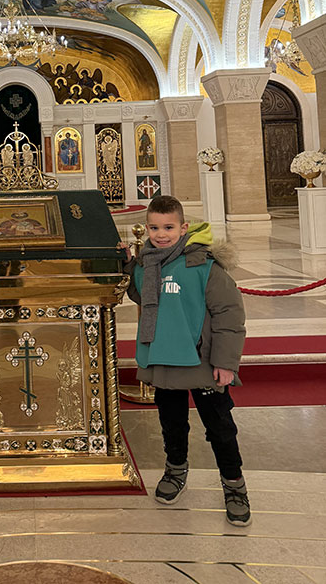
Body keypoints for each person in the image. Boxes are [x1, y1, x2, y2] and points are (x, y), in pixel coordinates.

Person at [125, 195, 250, 526]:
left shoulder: (204, 266)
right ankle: (175, 470)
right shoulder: (148, 264)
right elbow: (142, 295)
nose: (160, 234)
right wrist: (128, 264)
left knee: (219, 427)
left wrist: (226, 362)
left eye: (168, 227)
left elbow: (229, 314)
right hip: (165, 360)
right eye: (154, 228)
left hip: (201, 362)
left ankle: (234, 485)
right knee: (172, 423)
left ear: (184, 228)